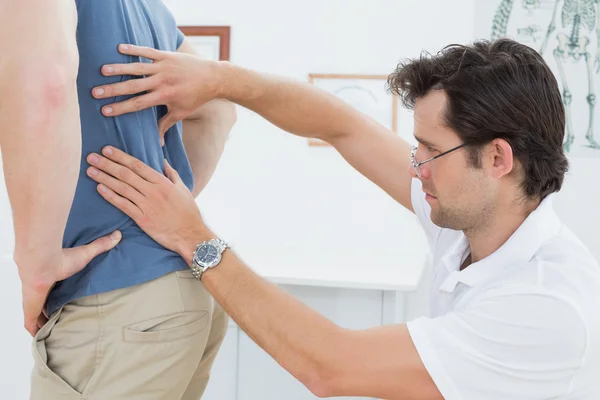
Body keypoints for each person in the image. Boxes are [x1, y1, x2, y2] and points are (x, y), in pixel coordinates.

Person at [79, 38, 600, 398]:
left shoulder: (545, 307)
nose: (414, 168)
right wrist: (219, 81)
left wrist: (191, 236)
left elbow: (330, 366)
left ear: (497, 159)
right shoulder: (482, 216)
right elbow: (341, 126)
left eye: (429, 151)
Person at [0, 1, 236, 399]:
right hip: (188, 292)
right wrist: (155, 216)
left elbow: (46, 86)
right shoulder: (148, 10)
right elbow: (219, 108)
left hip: (118, 307)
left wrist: (38, 264)